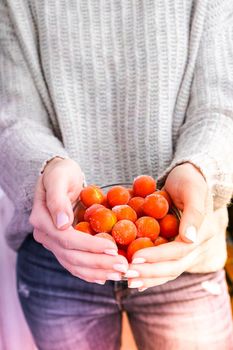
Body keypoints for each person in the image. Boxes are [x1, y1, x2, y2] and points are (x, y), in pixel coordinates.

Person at [0, 0, 233, 349]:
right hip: (58, 255)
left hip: (182, 256)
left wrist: (198, 169)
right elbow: (12, 117)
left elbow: (220, 106)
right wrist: (46, 166)